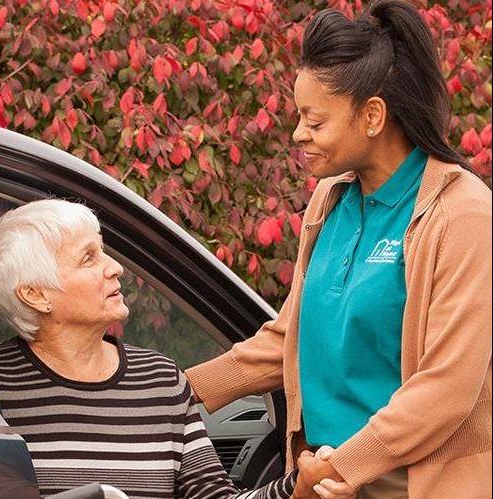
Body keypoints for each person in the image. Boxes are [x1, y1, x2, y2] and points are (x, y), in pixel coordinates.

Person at [185, 1, 492, 498]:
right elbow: (289, 338)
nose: (297, 134)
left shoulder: (462, 215)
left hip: (405, 485)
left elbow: (448, 387)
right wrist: (175, 391)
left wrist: (346, 465)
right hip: (324, 480)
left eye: (314, 120)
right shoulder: (330, 200)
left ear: (372, 115)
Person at [0, 198, 304, 498]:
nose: (115, 267)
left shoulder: (160, 379)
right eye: (88, 258)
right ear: (36, 295)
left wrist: (299, 486)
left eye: (103, 251)